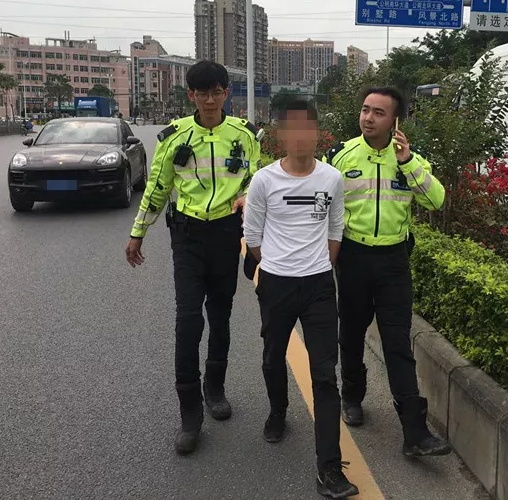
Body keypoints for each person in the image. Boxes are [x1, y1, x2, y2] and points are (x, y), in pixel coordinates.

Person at [125, 61, 261, 455]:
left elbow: (256, 178)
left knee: (220, 315)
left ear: (226, 93)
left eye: (216, 92)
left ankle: (214, 388)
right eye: (202, 93)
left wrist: (247, 196)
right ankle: (190, 412)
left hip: (226, 235)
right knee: (187, 320)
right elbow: (157, 187)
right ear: (191, 96)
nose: (210, 100)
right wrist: (137, 232)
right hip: (187, 237)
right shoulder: (174, 137)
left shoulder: (245, 136)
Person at [325, 86, 451, 458]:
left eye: (378, 112)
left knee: (397, 343)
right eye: (365, 110)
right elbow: (322, 206)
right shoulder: (340, 156)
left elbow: (436, 200)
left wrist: (407, 161)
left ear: (396, 121)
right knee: (351, 333)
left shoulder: (412, 160)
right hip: (353, 257)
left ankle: (415, 432)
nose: (368, 118)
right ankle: (352, 396)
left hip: (394, 261)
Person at [244, 99, 359, 499]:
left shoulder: (331, 178)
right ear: (280, 136)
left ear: (317, 133)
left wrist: (321, 264)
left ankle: (329, 468)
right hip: (276, 285)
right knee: (273, 356)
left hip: (319, 287)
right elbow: (253, 235)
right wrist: (277, 265)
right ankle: (278, 410)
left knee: (325, 375)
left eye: (306, 129)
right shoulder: (264, 180)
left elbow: (336, 227)